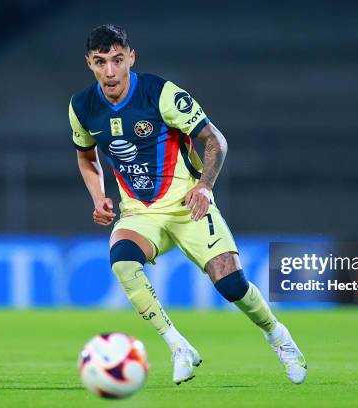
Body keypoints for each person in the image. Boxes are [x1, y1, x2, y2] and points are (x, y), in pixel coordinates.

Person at [69, 24, 307, 385]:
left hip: (187, 204)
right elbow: (86, 156)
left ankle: (277, 335)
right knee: (122, 262)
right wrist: (98, 195)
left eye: (118, 60)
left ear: (131, 57)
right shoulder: (82, 106)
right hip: (139, 211)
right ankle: (179, 346)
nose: (111, 71)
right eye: (101, 62)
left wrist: (205, 187)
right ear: (89, 63)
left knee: (231, 286)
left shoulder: (160, 94)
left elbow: (216, 141)